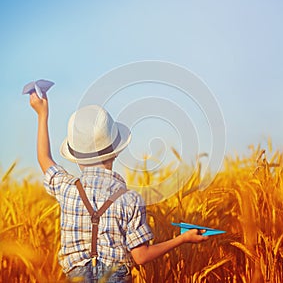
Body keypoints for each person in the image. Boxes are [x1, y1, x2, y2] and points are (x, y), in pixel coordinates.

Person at [29, 91, 208, 282]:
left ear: (77, 158)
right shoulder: (129, 199)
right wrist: (183, 238)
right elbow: (141, 256)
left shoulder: (66, 188)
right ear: (115, 153)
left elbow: (44, 158)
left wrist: (42, 114)